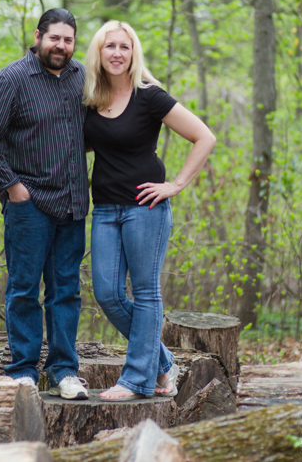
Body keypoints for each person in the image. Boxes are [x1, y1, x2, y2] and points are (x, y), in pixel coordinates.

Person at [82, 20, 216, 401]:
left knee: (145, 293)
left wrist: (176, 184)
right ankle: (163, 362)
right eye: (110, 46)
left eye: (124, 47)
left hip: (145, 208)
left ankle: (137, 380)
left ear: (133, 53)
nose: (117, 53)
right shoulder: (91, 98)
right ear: (98, 52)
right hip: (105, 210)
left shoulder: (149, 96)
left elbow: (204, 137)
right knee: (107, 294)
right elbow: (92, 143)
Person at [0, 8, 91, 400]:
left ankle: (64, 371)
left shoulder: (82, 77)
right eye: (54, 38)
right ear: (38, 37)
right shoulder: (12, 79)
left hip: (73, 204)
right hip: (30, 205)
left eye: (68, 40)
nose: (61, 46)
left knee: (66, 292)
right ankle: (22, 370)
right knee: (23, 290)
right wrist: (12, 186)